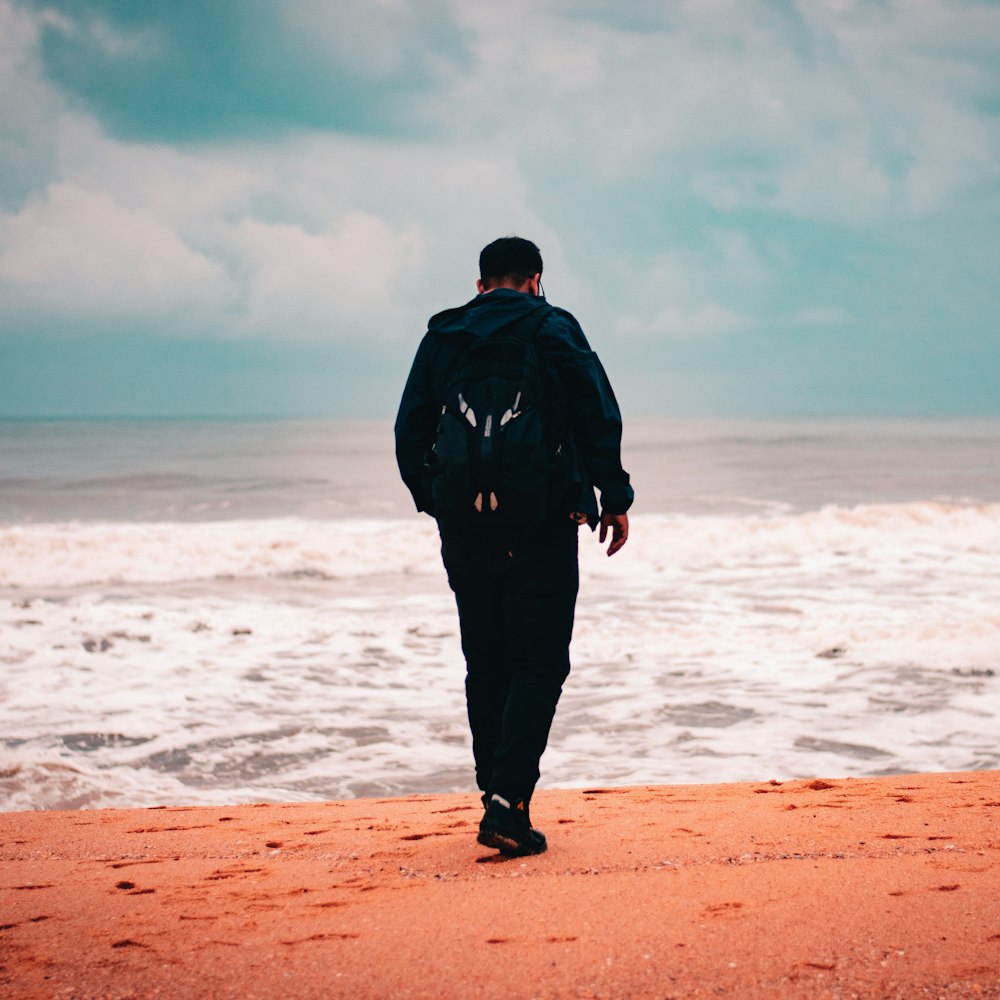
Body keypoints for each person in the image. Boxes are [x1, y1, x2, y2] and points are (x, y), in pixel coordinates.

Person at [394, 236, 633, 856]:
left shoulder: (444, 337)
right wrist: (615, 494)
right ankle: (508, 800)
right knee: (540, 662)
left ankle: (494, 792)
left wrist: (438, 499)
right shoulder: (554, 327)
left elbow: (408, 430)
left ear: (480, 285)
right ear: (535, 279)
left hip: (466, 529)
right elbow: (597, 412)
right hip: (543, 524)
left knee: (487, 660)